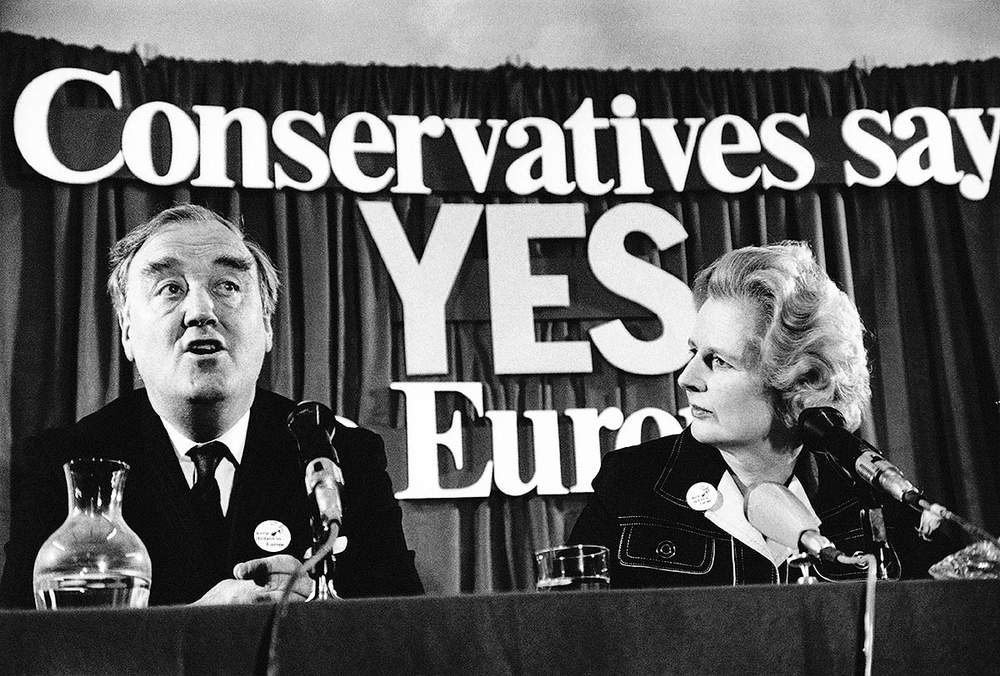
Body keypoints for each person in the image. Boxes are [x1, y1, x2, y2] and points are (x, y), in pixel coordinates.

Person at [0, 204, 423, 607]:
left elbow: (407, 637)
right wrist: (197, 628)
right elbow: (29, 648)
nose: (200, 311)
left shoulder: (339, 456)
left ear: (268, 326)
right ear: (127, 330)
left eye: (227, 286)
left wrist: (318, 611)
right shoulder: (60, 465)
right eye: (170, 289)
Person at [569, 241, 958, 587]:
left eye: (719, 361)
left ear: (801, 381)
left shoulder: (867, 496)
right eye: (694, 353)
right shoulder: (628, 485)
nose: (687, 379)